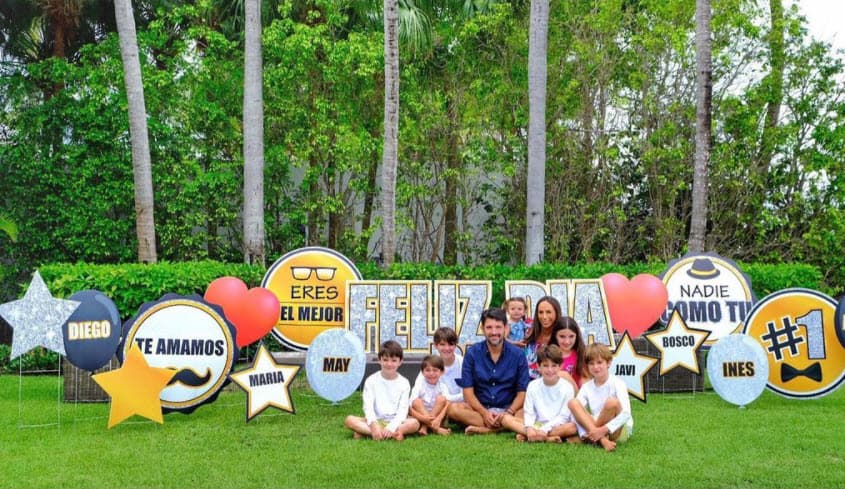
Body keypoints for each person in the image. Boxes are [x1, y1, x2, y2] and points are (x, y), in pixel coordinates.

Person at [448, 308, 530, 435]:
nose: (494, 332)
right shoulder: (472, 353)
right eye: (489, 327)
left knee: (527, 411)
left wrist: (508, 412)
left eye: (498, 327)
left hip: (509, 410)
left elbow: (522, 393)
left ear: (505, 328)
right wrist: (484, 413)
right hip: (480, 410)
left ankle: (489, 429)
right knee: (453, 409)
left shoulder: (518, 355)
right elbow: (468, 393)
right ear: (482, 328)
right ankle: (505, 426)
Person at [344, 340, 420, 441]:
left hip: (396, 421)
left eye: (393, 360)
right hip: (376, 420)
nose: (389, 364)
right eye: (385, 360)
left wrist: (391, 427)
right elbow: (368, 407)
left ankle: (371, 433)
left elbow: (402, 411)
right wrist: (374, 424)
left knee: (414, 423)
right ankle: (388, 433)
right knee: (349, 420)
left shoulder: (404, 383)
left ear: (400, 362)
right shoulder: (371, 380)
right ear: (379, 360)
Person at [501, 344, 577, 443]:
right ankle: (544, 437)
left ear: (560, 366)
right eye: (545, 366)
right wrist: (529, 428)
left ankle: (533, 436)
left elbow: (563, 417)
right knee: (505, 419)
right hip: (536, 424)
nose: (550, 370)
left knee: (573, 427)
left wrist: (544, 429)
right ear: (538, 366)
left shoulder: (567, 387)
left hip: (557, 426)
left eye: (554, 366)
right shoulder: (533, 385)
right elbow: (529, 412)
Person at [567, 343, 633, 452]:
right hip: (597, 424)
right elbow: (576, 414)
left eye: (599, 362)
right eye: (591, 364)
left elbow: (626, 413)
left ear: (608, 363)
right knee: (573, 403)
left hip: (617, 429)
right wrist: (593, 432)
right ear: (587, 366)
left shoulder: (618, 383)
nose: (595, 367)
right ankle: (601, 440)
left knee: (611, 403)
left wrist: (603, 430)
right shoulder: (586, 387)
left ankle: (591, 438)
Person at [408, 355, 451, 436]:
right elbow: (410, 407)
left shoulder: (443, 386)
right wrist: (423, 418)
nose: (431, 373)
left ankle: (425, 427)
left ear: (442, 372)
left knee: (442, 399)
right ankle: (436, 429)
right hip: (421, 416)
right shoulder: (419, 385)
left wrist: (439, 418)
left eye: (435, 370)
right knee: (416, 401)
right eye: (427, 370)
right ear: (422, 372)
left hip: (438, 418)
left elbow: (448, 404)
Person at [523, 296, 564, 380]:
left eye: (548, 312)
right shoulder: (528, 333)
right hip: (526, 385)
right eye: (541, 312)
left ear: (556, 313)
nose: (544, 317)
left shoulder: (563, 339)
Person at [421, 327, 464, 403]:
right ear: (435, 345)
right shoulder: (430, 363)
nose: (447, 348)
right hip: (439, 407)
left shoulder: (463, 362)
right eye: (442, 344)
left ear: (455, 345)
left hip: (461, 406)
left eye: (451, 344)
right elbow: (418, 388)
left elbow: (468, 393)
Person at [549, 316, 587, 390]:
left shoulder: (582, 355)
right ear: (555, 335)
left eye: (571, 336)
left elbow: (586, 387)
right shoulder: (547, 354)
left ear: (577, 336)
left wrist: (565, 376)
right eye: (562, 336)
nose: (567, 341)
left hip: (575, 398)